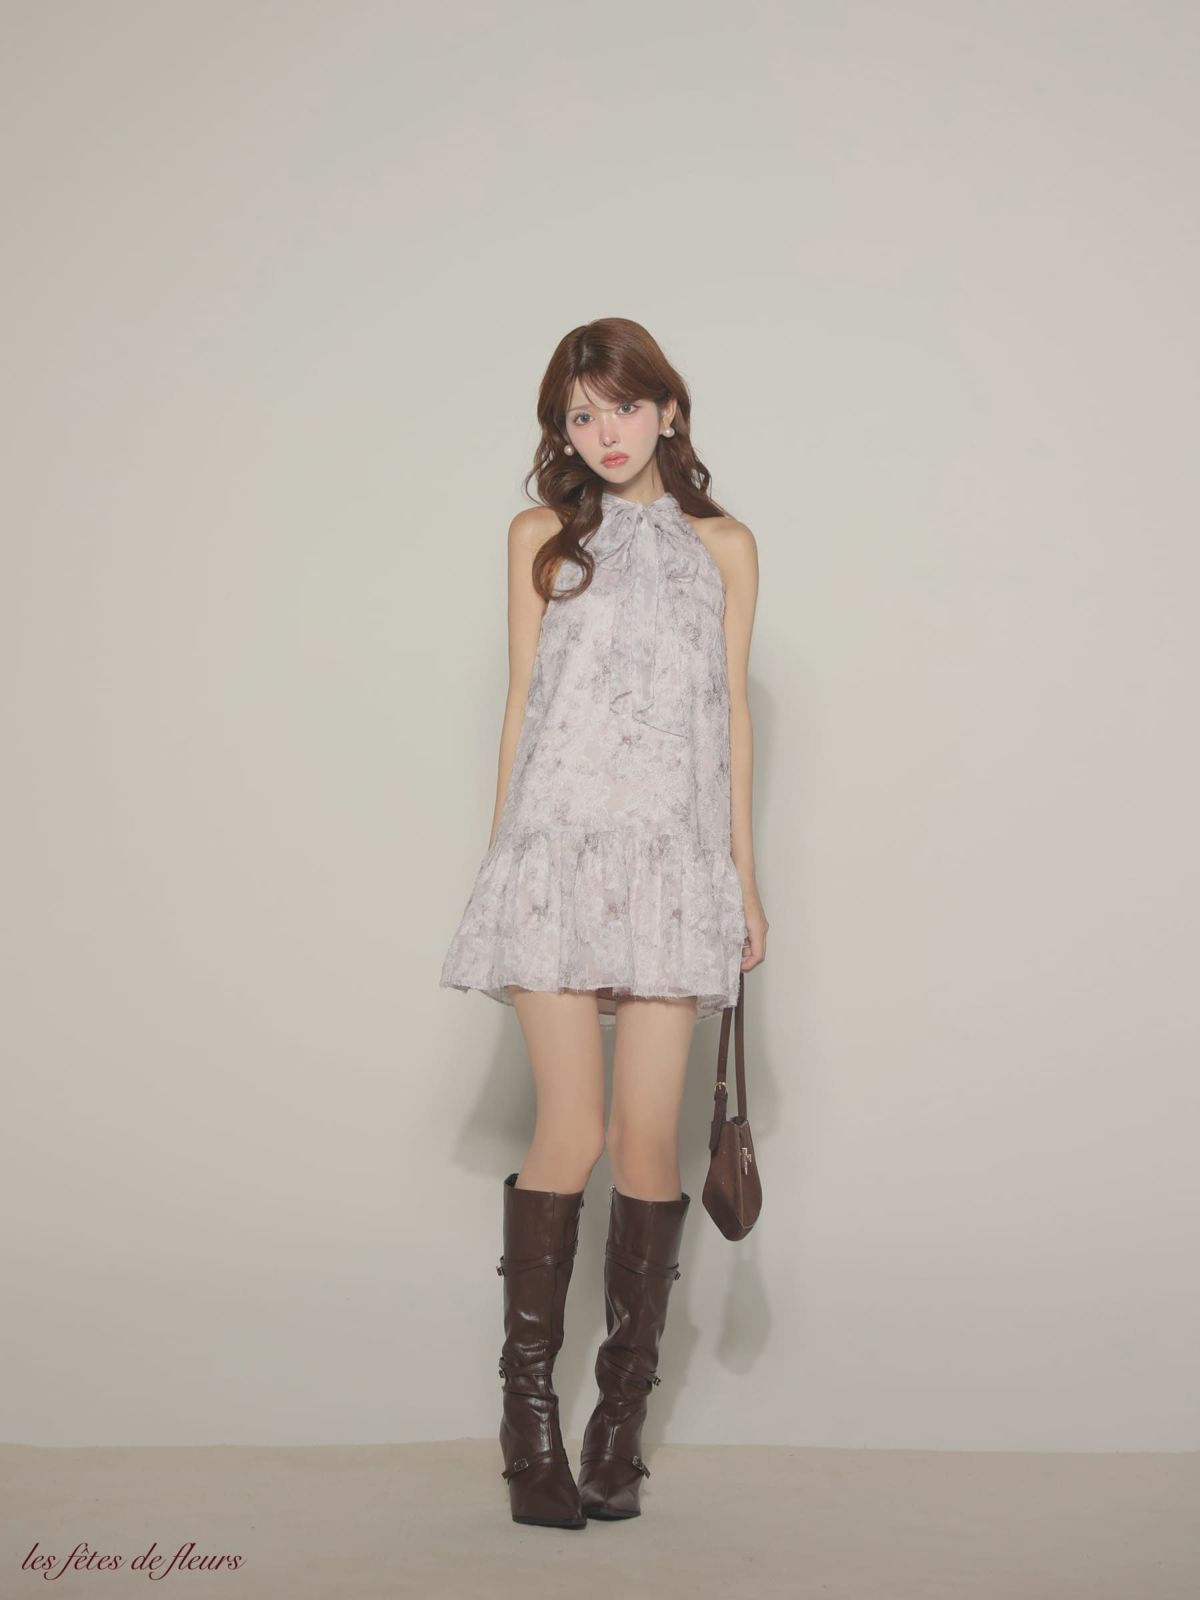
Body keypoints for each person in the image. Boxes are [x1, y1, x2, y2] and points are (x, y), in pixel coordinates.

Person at [439, 316, 768, 1527]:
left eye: (623, 406)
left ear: (668, 410)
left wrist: (742, 878)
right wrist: (503, 861)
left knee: (644, 1144)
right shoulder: (539, 536)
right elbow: (523, 702)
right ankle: (528, 1428)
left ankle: (618, 1426)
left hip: (673, 867)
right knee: (568, 1130)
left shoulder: (724, 546)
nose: (605, 432)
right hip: (555, 858)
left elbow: (730, 718)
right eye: (581, 414)